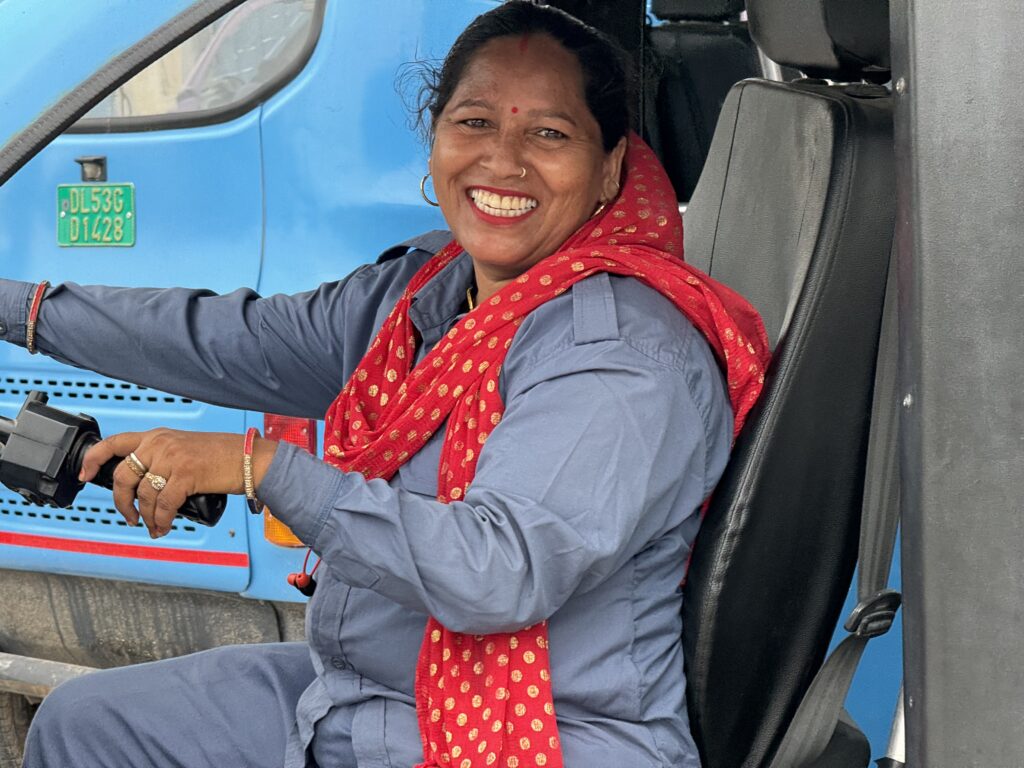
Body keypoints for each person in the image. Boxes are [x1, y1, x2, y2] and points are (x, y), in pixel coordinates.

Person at [0, 3, 769, 766]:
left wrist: (256, 468)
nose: (503, 161)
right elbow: (224, 340)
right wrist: (15, 309)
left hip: (548, 731)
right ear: (433, 141)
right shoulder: (420, 298)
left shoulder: (625, 354)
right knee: (85, 725)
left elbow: (496, 573)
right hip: (377, 689)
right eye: (473, 123)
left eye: (549, 133)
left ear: (607, 171)